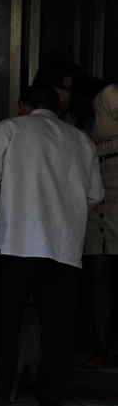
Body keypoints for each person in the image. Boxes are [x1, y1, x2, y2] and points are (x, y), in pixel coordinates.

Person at [0, 85, 104, 406]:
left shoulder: (9, 128)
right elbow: (95, 196)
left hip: (15, 242)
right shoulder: (81, 140)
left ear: (23, 105)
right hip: (63, 247)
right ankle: (51, 398)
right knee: (57, 326)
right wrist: (66, 212)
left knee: (6, 322)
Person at [82, 82, 118, 368]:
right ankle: (102, 347)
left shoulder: (108, 96)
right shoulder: (109, 95)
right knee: (100, 277)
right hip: (101, 203)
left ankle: (103, 347)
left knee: (101, 278)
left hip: (103, 203)